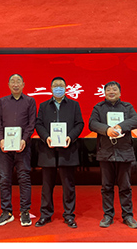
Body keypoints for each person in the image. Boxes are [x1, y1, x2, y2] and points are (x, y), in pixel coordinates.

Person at [89, 81, 137, 228]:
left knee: (125, 186)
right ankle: (108, 215)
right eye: (108, 90)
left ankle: (128, 216)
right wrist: (107, 130)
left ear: (120, 92)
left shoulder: (127, 107)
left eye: (114, 89)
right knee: (106, 186)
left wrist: (120, 126)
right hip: (105, 151)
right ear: (104, 92)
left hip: (124, 151)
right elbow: (92, 123)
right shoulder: (98, 108)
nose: (111, 92)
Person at [34, 77, 84, 228]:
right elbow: (38, 124)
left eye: (61, 86)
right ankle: (45, 215)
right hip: (48, 149)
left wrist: (70, 137)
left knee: (68, 185)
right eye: (55, 86)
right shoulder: (44, 106)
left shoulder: (74, 105)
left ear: (66, 88)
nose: (58, 88)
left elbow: (79, 123)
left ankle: (69, 215)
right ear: (50, 88)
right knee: (46, 185)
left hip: (67, 149)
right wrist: (46, 137)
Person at [0, 73, 37, 226]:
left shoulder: (30, 101)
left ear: (23, 84)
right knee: (5, 178)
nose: (16, 84)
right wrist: (1, 139)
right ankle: (7, 212)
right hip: (4, 147)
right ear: (8, 85)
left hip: (23, 146)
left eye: (18, 81)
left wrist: (24, 139)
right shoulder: (2, 102)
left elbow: (32, 123)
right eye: (13, 81)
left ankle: (25, 211)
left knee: (24, 178)